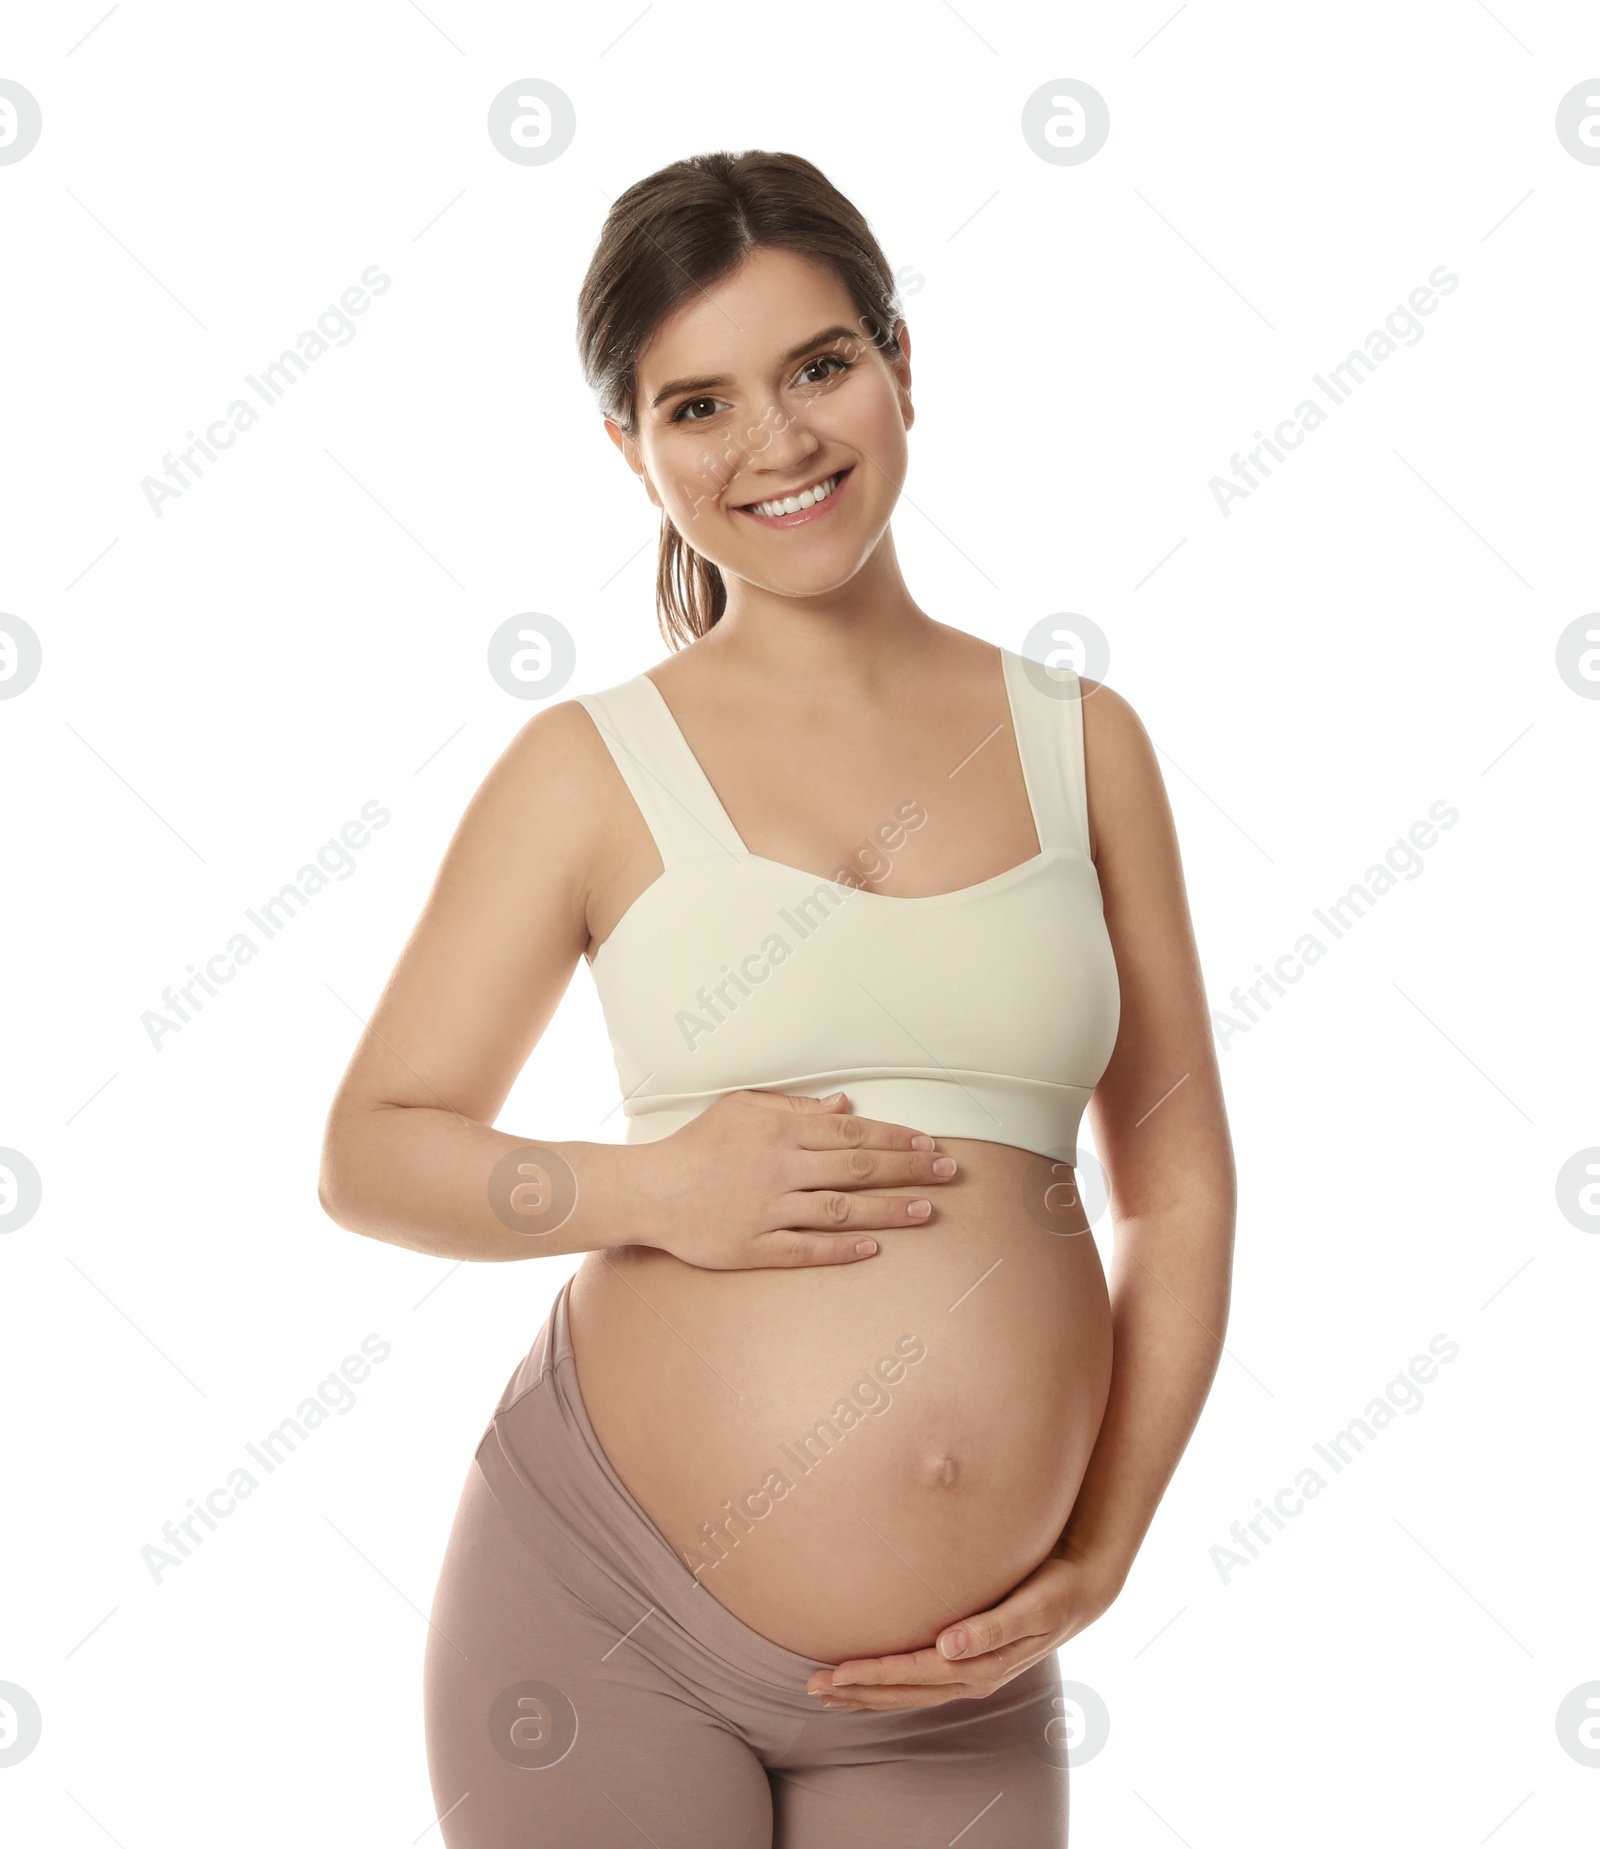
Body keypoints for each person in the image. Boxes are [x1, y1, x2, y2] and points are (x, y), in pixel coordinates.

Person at [318, 148, 1235, 1848]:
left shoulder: (1082, 742)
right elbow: (373, 1151)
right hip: (608, 1615)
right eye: (698, 405)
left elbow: (1176, 1187)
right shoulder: (586, 767)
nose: (779, 443)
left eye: (819, 366)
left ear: (900, 363)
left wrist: (1105, 1543)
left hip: (951, 1673)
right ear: (631, 449)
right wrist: (658, 1186)